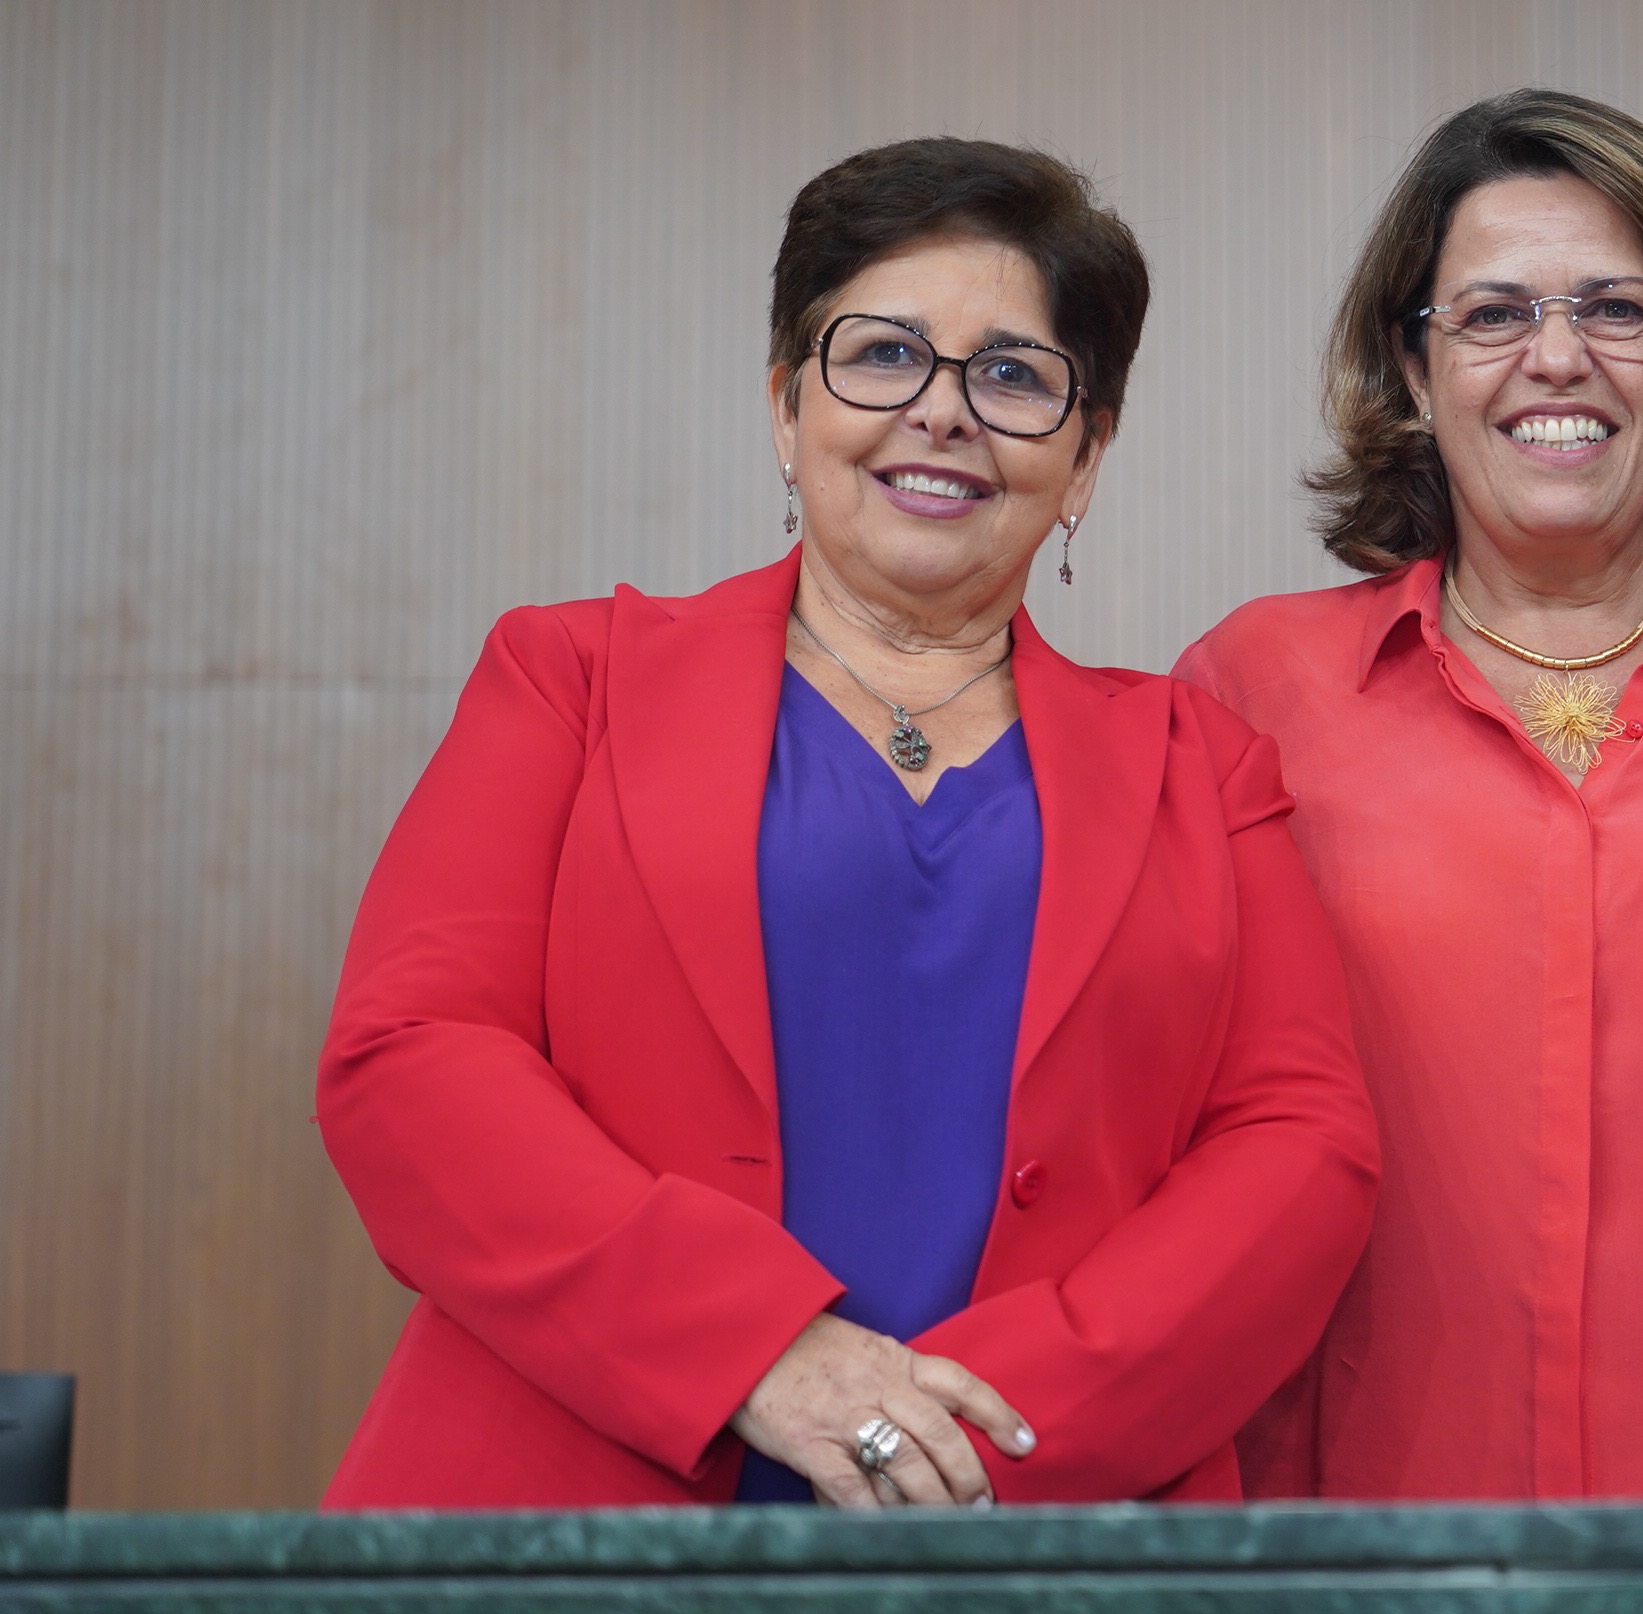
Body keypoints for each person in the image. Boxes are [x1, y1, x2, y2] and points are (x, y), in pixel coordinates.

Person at [318, 137, 1378, 1508]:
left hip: (1034, 1528)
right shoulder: (569, 684)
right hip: (580, 1508)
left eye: (1013, 376)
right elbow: (411, 1058)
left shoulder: (1205, 769)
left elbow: (1298, 1147)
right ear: (786, 407)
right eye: (882, 355)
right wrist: (755, 1353)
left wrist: (973, 1431)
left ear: (1086, 456)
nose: (941, 413)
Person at [1178, 90, 1643, 1498]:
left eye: (1617, 310)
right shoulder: (1249, 692)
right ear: (1414, 365)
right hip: (1353, 1545)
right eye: (1493, 314)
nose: (1556, 358)